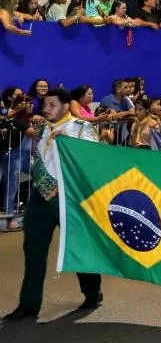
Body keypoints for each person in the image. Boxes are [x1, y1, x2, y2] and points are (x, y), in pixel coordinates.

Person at [4, 88, 103, 321]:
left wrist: (69, 144)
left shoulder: (82, 129)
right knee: (33, 250)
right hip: (41, 197)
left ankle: (92, 292)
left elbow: (92, 157)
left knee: (79, 247)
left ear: (66, 106)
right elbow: (21, 125)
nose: (46, 109)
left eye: (52, 105)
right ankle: (28, 305)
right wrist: (20, 113)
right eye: (44, 105)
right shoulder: (42, 128)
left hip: (70, 196)